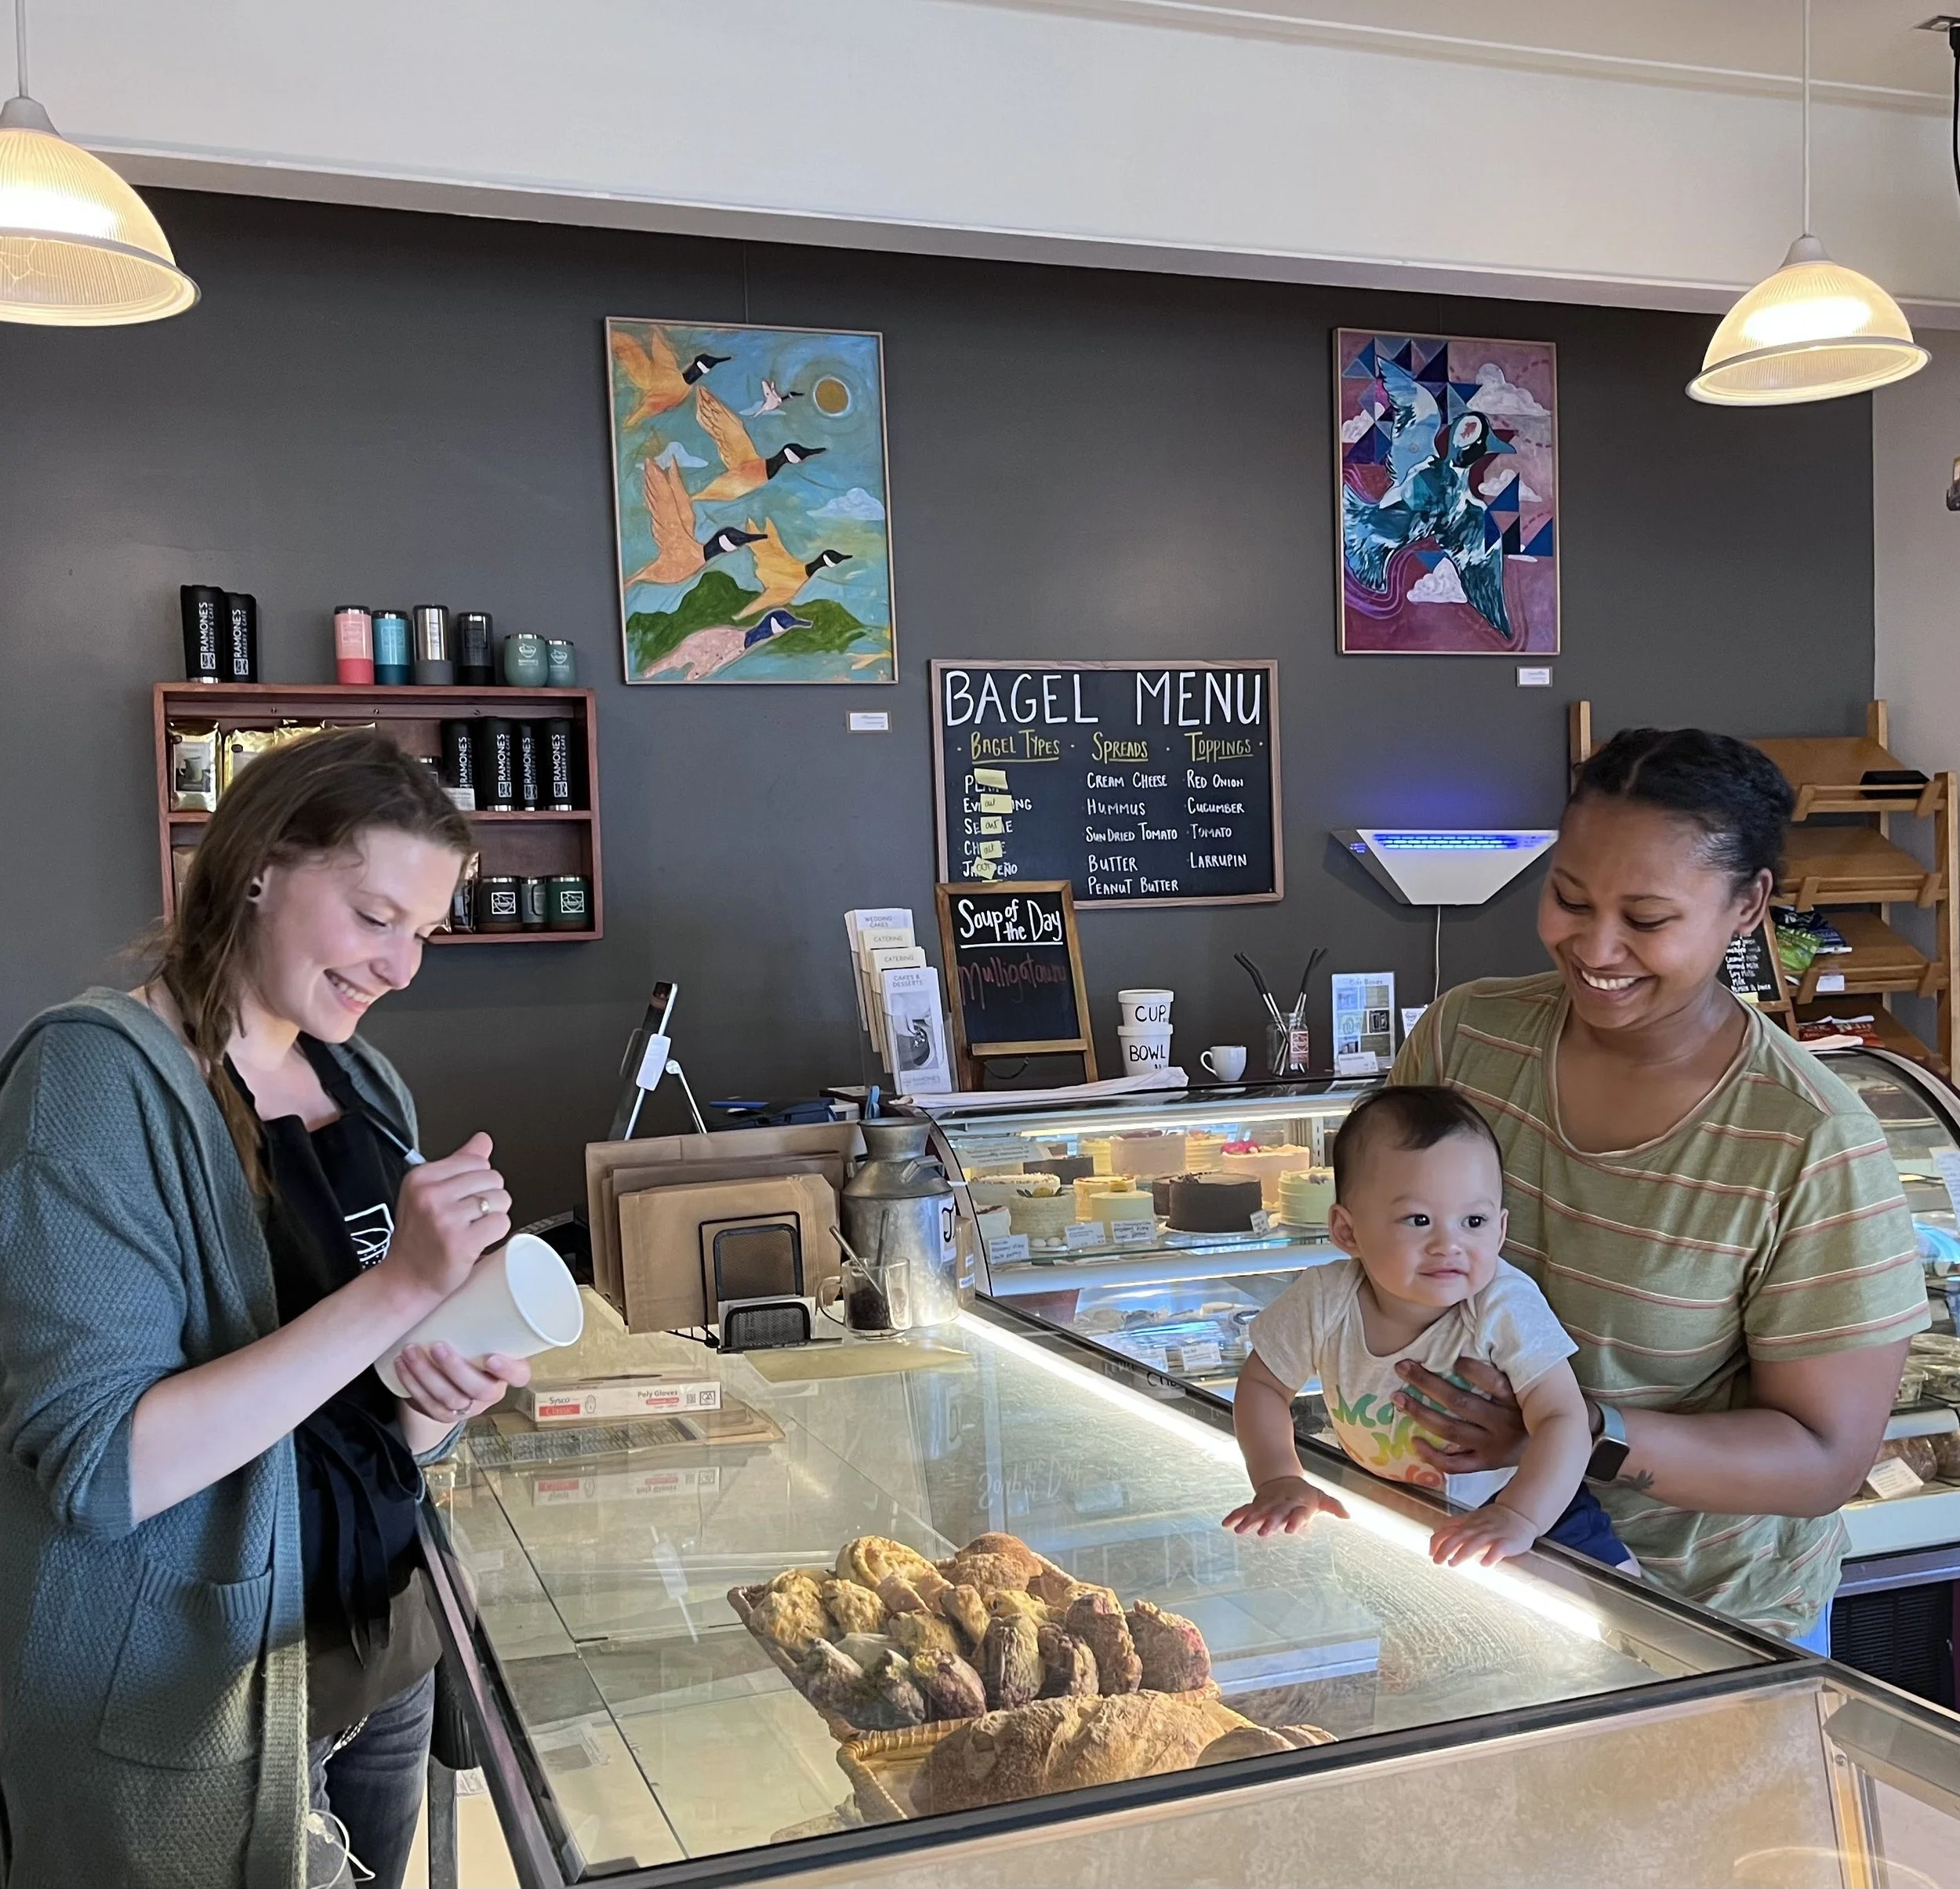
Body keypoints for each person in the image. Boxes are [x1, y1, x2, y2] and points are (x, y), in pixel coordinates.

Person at [0, 730, 535, 1889]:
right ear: (258, 866)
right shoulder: (95, 1080)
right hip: (196, 1702)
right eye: (374, 916)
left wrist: (438, 1389)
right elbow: (101, 1471)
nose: (401, 967)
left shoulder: (366, 1083)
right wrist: (398, 1288)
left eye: (425, 935)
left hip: (376, 1656)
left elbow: (365, 1414)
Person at [1389, 727, 1928, 1649]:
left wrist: (1563, 1433)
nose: (1595, 946)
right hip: (1456, 1574)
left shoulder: (1808, 1137)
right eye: (1568, 898)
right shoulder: (1465, 1039)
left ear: (1748, 905)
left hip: (1701, 1627)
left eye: (1645, 919)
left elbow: (1822, 1461)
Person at [1223, 1085, 1634, 1571]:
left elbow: (1563, 1418)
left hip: (1541, 1511)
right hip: (1396, 1514)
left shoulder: (1502, 1303)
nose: (1449, 1244)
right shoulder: (1323, 1300)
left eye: (1473, 1220)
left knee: (1616, 1628)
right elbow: (1262, 1385)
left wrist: (1518, 1515)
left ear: (1501, 1230)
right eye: (1419, 1219)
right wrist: (1277, 1477)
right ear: (1347, 1231)